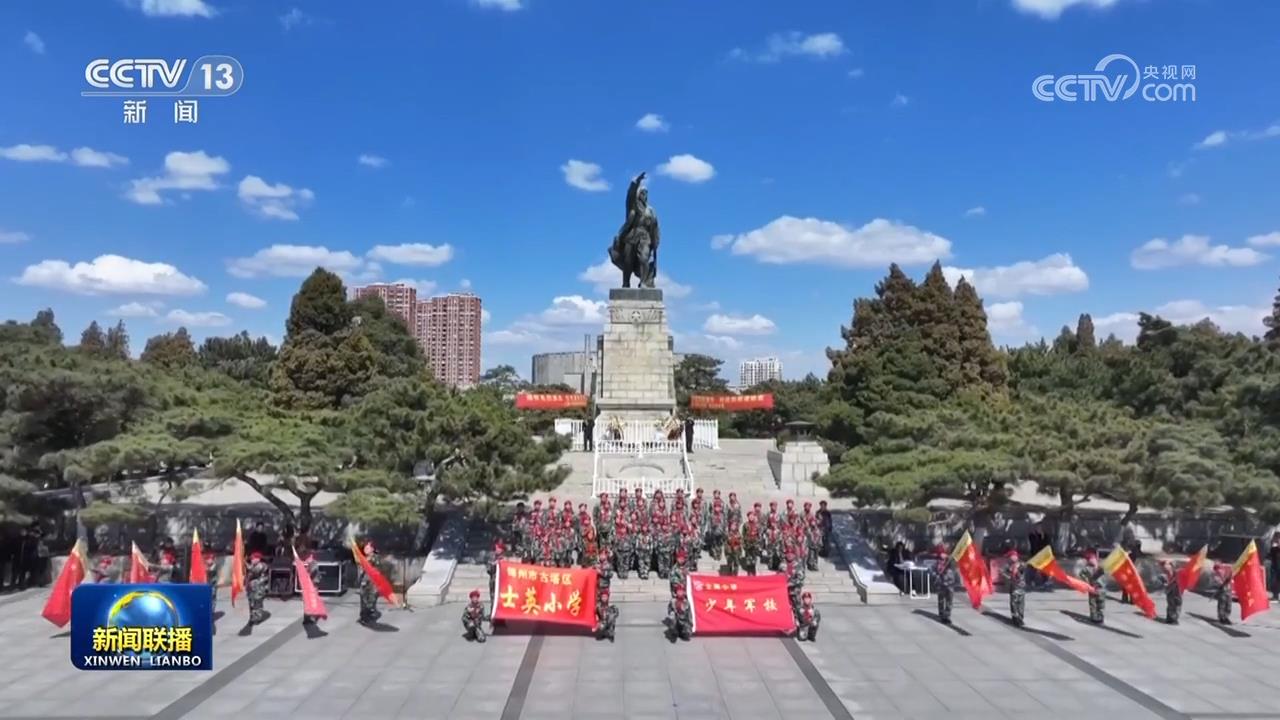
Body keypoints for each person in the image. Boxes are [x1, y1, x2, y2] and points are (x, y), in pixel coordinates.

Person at [358, 541, 384, 626]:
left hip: (371, 582)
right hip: (365, 581)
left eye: (368, 548)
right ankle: (364, 616)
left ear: (372, 549)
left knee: (369, 599)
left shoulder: (374, 557)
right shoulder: (367, 557)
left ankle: (367, 615)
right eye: (365, 547)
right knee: (364, 599)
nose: (365, 549)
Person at [297, 540, 321, 626]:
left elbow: (313, 570)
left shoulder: (312, 559)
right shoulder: (307, 559)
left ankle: (312, 617)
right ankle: (307, 617)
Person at [247, 551, 271, 626]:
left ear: (258, 559)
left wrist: (245, 564)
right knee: (251, 603)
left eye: (253, 559)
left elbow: (254, 571)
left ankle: (257, 618)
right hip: (252, 588)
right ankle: (252, 618)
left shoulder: (262, 565)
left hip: (259, 588)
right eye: (251, 559)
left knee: (257, 604)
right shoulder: (253, 566)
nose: (251, 560)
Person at [1081, 550, 1105, 624]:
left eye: (1093, 558)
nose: (1092, 560)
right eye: (1090, 559)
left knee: (1100, 604)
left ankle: (1100, 617)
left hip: (1100, 588)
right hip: (1092, 588)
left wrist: (1098, 567)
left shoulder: (1100, 567)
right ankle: (1094, 617)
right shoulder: (1087, 568)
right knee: (1093, 603)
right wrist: (1086, 581)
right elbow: (1081, 574)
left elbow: (1104, 573)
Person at [932, 545, 953, 624]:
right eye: (941, 557)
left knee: (949, 601)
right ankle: (941, 614)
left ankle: (947, 616)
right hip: (941, 584)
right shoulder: (937, 563)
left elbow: (954, 568)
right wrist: (936, 574)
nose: (942, 558)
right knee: (941, 600)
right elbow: (933, 571)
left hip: (950, 584)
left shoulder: (950, 561)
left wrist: (949, 559)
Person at [1004, 550, 1026, 627]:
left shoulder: (1021, 564)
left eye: (1012, 556)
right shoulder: (1008, 566)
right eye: (1010, 557)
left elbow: (1023, 571)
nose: (1011, 558)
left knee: (1021, 604)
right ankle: (1015, 618)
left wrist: (1018, 568)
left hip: (1021, 588)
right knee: (1014, 604)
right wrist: (1008, 576)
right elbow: (1003, 572)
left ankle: (1020, 618)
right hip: (1014, 588)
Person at [1160, 559, 1181, 625]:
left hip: (1176, 592)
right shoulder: (1165, 574)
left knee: (1175, 605)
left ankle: (1173, 619)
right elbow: (1165, 582)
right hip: (1170, 592)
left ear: (1171, 566)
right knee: (1171, 605)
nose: (1165, 566)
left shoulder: (1176, 573)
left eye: (1167, 564)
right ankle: (1170, 618)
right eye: (1164, 565)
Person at [1269, 533, 1280, 601]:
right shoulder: (1274, 549)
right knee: (1274, 582)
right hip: (1275, 568)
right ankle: (1275, 596)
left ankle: (1276, 596)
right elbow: (1270, 555)